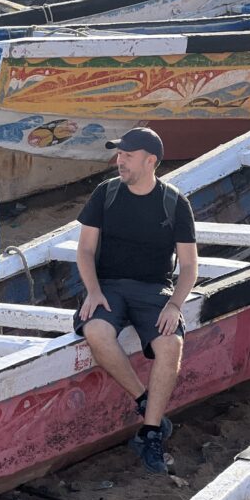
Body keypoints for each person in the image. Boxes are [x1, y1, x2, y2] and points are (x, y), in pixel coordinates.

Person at [74, 127, 198, 475]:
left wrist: (174, 305)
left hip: (153, 289)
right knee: (96, 331)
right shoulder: (106, 193)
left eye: (127, 156)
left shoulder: (174, 202)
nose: (120, 161)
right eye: (119, 154)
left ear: (150, 161)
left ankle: (151, 432)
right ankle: (145, 400)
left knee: (171, 345)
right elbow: (85, 250)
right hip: (108, 286)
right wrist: (93, 290)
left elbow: (189, 266)